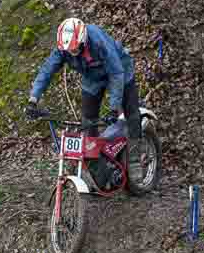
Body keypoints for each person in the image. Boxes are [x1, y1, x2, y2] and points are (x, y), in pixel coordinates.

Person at [27, 17, 143, 186]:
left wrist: (114, 107)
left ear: (82, 40)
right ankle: (101, 172)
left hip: (120, 71)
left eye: (75, 49)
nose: (72, 53)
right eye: (69, 51)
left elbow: (116, 73)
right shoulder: (64, 48)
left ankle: (134, 161)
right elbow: (47, 71)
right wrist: (33, 99)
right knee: (88, 122)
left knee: (131, 112)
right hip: (92, 77)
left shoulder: (97, 41)